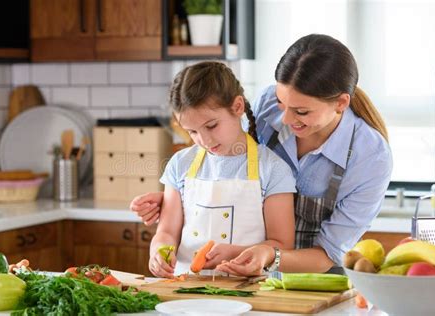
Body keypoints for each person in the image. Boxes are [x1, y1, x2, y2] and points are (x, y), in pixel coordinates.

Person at [132, 34, 393, 275]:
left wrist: (268, 254)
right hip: (253, 273)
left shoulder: (370, 156)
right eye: (282, 103)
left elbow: (328, 253)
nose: (286, 119)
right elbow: (230, 156)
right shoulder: (267, 104)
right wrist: (182, 196)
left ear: (341, 103)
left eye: (301, 112)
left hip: (315, 278)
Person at [148, 61, 297, 278]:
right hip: (187, 290)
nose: (204, 140)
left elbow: (282, 245)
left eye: (211, 126)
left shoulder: (273, 169)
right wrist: (159, 252)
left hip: (251, 291)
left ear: (237, 107)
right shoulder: (180, 164)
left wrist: (236, 253)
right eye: (193, 132)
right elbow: (167, 232)